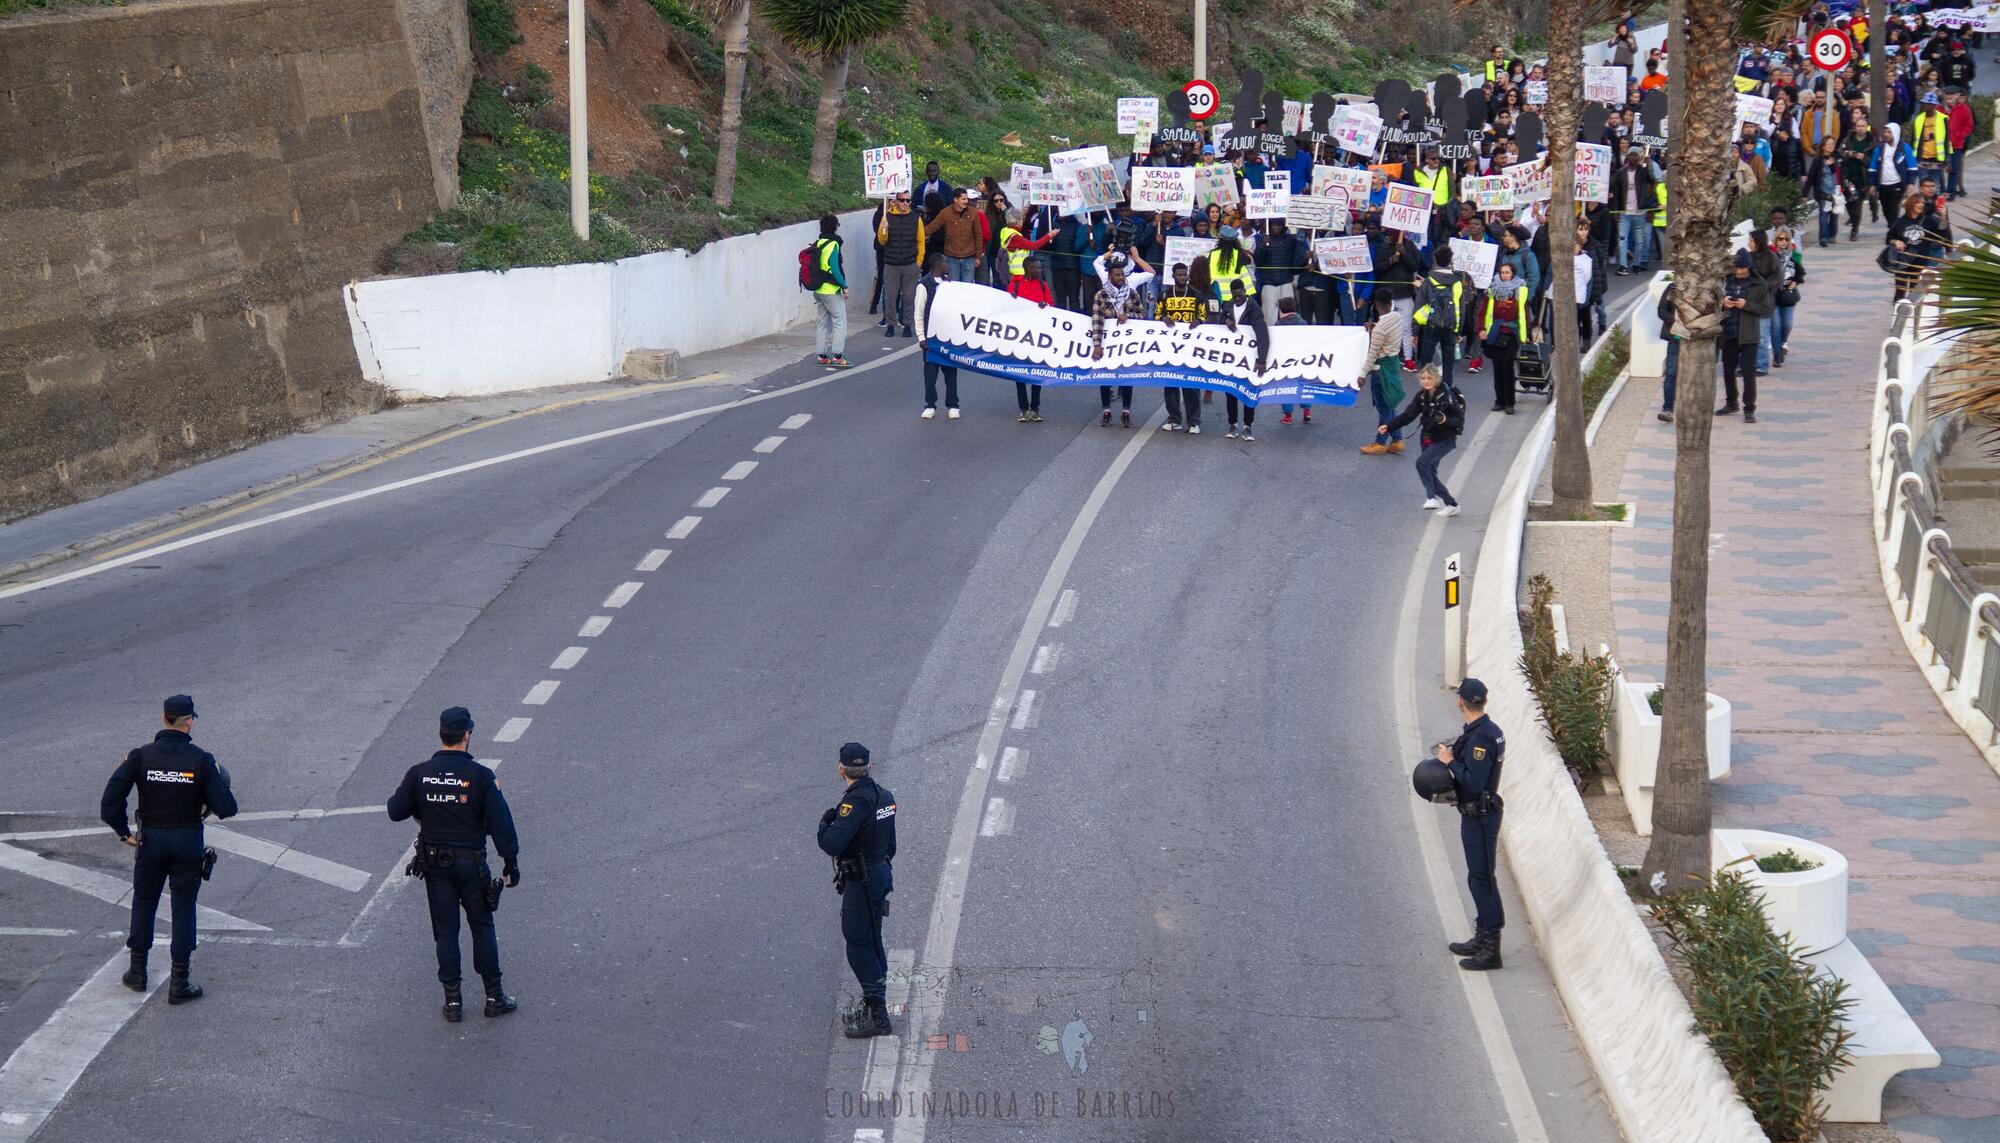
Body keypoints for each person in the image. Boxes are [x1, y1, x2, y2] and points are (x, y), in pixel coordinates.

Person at [100, 694, 238, 1003]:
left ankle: (137, 972)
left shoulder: (140, 757)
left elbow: (109, 803)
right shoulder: (202, 760)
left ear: (164, 719)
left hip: (151, 841)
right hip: (187, 841)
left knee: (145, 901)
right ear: (189, 722)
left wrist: (124, 833)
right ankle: (180, 983)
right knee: (183, 908)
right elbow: (227, 808)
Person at [387, 707, 520, 1021]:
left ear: (441, 735)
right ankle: (493, 996)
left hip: (436, 866)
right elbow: (502, 825)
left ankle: (453, 1003)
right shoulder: (481, 777)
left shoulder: (419, 773)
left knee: (446, 931)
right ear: (467, 735)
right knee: (482, 927)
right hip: (472, 865)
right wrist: (510, 864)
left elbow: (395, 810)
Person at [818, 742, 897, 1039]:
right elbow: (892, 846)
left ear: (841, 770)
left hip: (861, 881)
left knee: (859, 944)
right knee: (872, 940)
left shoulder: (854, 803)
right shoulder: (885, 798)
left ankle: (877, 1014)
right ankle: (875, 1005)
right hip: (880, 873)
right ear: (869, 768)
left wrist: (825, 824)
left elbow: (832, 844)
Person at [1436, 678, 1507, 970]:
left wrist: (1449, 761)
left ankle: (1491, 948)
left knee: (1481, 879)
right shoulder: (1490, 731)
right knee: (1479, 877)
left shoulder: (1480, 739)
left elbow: (1475, 782)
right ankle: (1482, 937)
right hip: (1479, 814)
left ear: (1461, 702)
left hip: (1479, 815)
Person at [1380, 364, 1465, 515]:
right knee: (1430, 470)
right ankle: (1451, 504)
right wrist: (1389, 426)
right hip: (1427, 437)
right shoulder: (1421, 396)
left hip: (1445, 439)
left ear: (1436, 379)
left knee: (1422, 463)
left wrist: (1445, 420)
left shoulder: (1448, 396)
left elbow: (1459, 419)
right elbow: (1408, 415)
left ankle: (1432, 497)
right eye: (1423, 378)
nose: (1426, 381)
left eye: (1429, 378)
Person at [1088, 252, 1156, 427]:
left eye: (1122, 275)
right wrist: (1097, 345)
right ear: (1109, 276)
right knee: (1106, 376)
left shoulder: (1132, 293)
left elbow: (1141, 314)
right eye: (1117, 275)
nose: (1120, 278)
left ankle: (1126, 412)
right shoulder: (1101, 295)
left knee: (1126, 376)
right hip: (1108, 341)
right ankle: (1106, 411)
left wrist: (1129, 315)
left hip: (1127, 341)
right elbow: (1096, 321)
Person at [1715, 249, 1773, 423]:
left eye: (1743, 268)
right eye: (1737, 268)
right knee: (1727, 371)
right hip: (1729, 332)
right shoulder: (1725, 281)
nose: (1739, 271)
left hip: (1748, 334)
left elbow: (1766, 309)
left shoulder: (1759, 284)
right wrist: (1722, 303)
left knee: (1748, 373)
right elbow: (1710, 302)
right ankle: (1731, 402)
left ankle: (1749, 408)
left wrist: (1746, 305)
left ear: (1749, 267)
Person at [1211, 278, 1270, 441]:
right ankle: (1233, 423)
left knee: (1247, 391)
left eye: (1240, 295)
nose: (1237, 299)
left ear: (1244, 291)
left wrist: (1261, 359)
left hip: (1248, 357)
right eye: (1234, 296)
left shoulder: (1254, 308)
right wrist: (1226, 320)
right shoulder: (1227, 306)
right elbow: (1219, 321)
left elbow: (1262, 334)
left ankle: (1247, 426)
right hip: (1231, 357)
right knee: (1230, 392)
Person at [1155, 261, 1207, 433]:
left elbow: (1204, 315)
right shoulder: (1165, 295)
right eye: (1179, 275)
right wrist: (1163, 318)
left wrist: (1198, 321)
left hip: (1191, 346)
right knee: (1170, 383)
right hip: (1170, 346)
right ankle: (1174, 419)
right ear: (1173, 276)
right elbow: (1156, 315)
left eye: (1185, 274)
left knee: (1190, 384)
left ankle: (1194, 422)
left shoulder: (1196, 294)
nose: (1183, 277)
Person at [1359, 293, 1408, 456]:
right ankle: (1397, 440)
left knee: (1384, 409)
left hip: (1381, 369)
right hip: (1393, 365)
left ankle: (1380, 442)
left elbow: (1372, 354)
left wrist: (1362, 374)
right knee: (1390, 405)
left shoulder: (1379, 329)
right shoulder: (1397, 317)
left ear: (1376, 305)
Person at [912, 254, 960, 419]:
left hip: (948, 337)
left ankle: (953, 405)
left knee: (951, 373)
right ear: (937, 265)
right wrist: (921, 337)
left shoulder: (949, 283)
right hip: (931, 339)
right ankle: (930, 404)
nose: (947, 264)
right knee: (930, 375)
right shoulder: (924, 285)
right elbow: (919, 313)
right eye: (945, 262)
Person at [1412, 246, 1465, 393]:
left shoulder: (1429, 281)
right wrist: (1458, 330)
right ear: (1450, 261)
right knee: (1448, 363)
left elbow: (1419, 306)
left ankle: (1427, 391)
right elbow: (1460, 308)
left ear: (1435, 260)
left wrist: (1415, 332)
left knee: (1426, 361)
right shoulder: (1457, 282)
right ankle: (1446, 391)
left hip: (1431, 325)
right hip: (1449, 326)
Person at [1480, 260, 1530, 414]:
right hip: (1495, 333)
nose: (1505, 275)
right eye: (1502, 273)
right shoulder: (1492, 290)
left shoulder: (1520, 290)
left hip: (1511, 334)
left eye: (1507, 272)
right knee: (1497, 369)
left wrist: (1526, 333)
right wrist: (1481, 329)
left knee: (1508, 369)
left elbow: (1525, 313)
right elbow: (1482, 312)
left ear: (1513, 273)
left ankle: (1510, 403)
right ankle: (1499, 401)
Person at [1007, 257, 1053, 421]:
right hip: (1019, 337)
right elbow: (1007, 308)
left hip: (1038, 337)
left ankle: (1035, 408)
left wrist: (1045, 306)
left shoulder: (1042, 285)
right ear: (1028, 268)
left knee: (1036, 373)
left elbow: (1051, 307)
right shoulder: (1015, 285)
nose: (1040, 271)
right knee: (1019, 373)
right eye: (1037, 268)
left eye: (1040, 268)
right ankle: (1023, 409)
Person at [876, 190, 926, 336]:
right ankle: (891, 324)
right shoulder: (887, 217)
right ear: (896, 201)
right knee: (890, 297)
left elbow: (921, 241)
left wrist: (919, 262)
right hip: (892, 264)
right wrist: (884, 230)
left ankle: (907, 325)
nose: (905, 203)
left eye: (907, 200)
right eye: (902, 200)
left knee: (909, 297)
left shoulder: (916, 218)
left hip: (910, 263)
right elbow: (882, 241)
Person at [1885, 192, 1947, 304]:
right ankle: (1898, 315)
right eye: (1918, 202)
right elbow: (1889, 238)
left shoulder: (1928, 220)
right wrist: (1896, 241)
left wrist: (1943, 216)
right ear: (1911, 205)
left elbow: (1942, 232)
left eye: (1922, 203)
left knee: (1916, 292)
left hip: (1919, 263)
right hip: (1903, 262)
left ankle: (1912, 316)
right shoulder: (1901, 221)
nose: (1921, 205)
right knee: (1900, 291)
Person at [808, 214, 850, 369]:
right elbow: (835, 267)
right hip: (830, 289)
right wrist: (844, 285)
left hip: (817, 289)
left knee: (823, 322)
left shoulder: (819, 242)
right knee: (840, 321)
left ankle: (822, 355)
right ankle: (838, 356)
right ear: (835, 227)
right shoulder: (833, 244)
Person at [926, 187, 990, 286]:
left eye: (967, 199)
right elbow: (932, 227)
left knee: (967, 288)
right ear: (955, 199)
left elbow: (978, 235)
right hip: (952, 257)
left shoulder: (973, 212)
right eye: (963, 199)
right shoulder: (945, 213)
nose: (966, 201)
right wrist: (917, 233)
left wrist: (977, 257)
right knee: (953, 286)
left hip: (969, 257)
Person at [1611, 150, 1657, 274]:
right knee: (1622, 240)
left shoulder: (1643, 171)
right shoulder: (1621, 173)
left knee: (1639, 241)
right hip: (1625, 213)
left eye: (1635, 155)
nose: (1633, 157)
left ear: (1639, 157)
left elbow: (1652, 181)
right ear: (1627, 156)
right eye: (1631, 154)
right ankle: (1623, 266)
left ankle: (1636, 264)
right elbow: (1616, 192)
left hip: (1640, 213)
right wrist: (1616, 211)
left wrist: (1649, 165)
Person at [1768, 229, 1804, 367]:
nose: (1783, 242)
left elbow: (1800, 273)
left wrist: (1794, 283)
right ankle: (1777, 354)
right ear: (1776, 240)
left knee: (1787, 324)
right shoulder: (1770, 256)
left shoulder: (1793, 255)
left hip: (1788, 295)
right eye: (1780, 239)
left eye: (1786, 239)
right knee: (1776, 324)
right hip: (1774, 295)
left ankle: (1783, 342)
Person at [1273, 296, 1311, 424]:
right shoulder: (1303, 323)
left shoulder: (1278, 326)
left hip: (1285, 361)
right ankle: (1307, 411)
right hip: (1302, 360)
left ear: (1281, 310)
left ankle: (1288, 415)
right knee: (1303, 384)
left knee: (1286, 387)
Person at [1656, 279, 1681, 423]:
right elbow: (1661, 310)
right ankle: (1668, 408)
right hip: (1676, 336)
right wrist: (1674, 319)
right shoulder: (1673, 287)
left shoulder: (1705, 285)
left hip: (1697, 339)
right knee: (1671, 373)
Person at [1945, 87, 1974, 198]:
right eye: (1947, 94)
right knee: (1938, 169)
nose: (1950, 97)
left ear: (1958, 95)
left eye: (1952, 94)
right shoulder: (1939, 108)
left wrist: (1960, 136)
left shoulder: (1964, 109)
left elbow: (1969, 126)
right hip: (1940, 144)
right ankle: (1939, 191)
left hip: (1956, 144)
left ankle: (1950, 192)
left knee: (1954, 168)